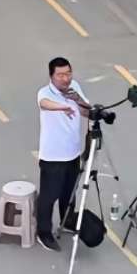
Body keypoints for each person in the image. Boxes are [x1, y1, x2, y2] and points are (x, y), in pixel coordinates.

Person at [35, 55, 91, 250]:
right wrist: (63, 106)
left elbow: (87, 112)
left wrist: (77, 99)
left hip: (73, 152)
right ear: (51, 76)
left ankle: (67, 221)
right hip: (53, 156)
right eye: (60, 75)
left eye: (68, 73)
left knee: (69, 193)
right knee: (49, 196)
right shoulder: (45, 93)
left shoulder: (74, 87)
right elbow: (44, 104)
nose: (65, 78)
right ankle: (44, 232)